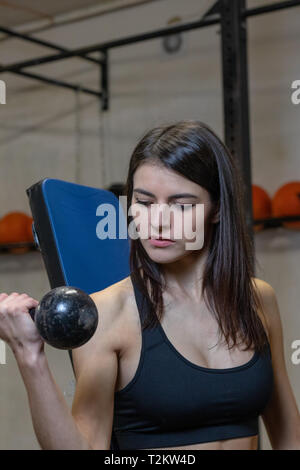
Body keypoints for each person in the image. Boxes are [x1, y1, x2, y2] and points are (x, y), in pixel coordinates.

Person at [0, 120, 299, 450]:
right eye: (143, 202)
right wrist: (29, 356)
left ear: (216, 209)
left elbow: (288, 436)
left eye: (181, 205)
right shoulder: (108, 313)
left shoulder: (258, 299)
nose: (158, 220)